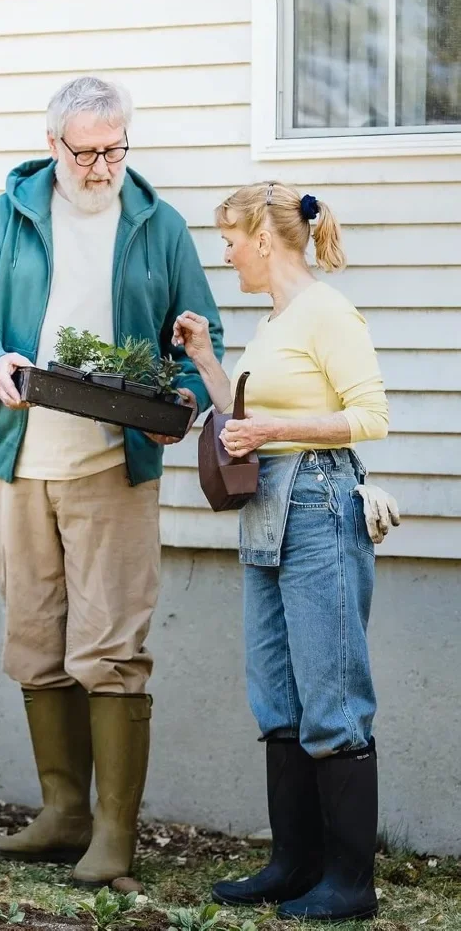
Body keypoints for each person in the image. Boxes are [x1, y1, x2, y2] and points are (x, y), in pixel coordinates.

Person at [0, 75, 224, 889]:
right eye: (88, 151)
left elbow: (202, 337)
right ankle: (62, 814)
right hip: (20, 465)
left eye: (115, 149)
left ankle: (112, 836)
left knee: (112, 648)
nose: (103, 167)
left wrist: (183, 402)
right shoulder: (9, 217)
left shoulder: (156, 225)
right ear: (54, 144)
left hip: (112, 464)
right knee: (35, 642)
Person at [172, 182, 399, 922]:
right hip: (267, 513)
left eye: (231, 240)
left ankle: (350, 884)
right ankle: (294, 865)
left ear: (263, 240)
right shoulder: (275, 324)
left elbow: (371, 416)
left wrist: (268, 431)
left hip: (318, 505)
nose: (228, 254)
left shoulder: (328, 312)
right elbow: (241, 418)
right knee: (278, 698)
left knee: (331, 697)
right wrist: (208, 358)